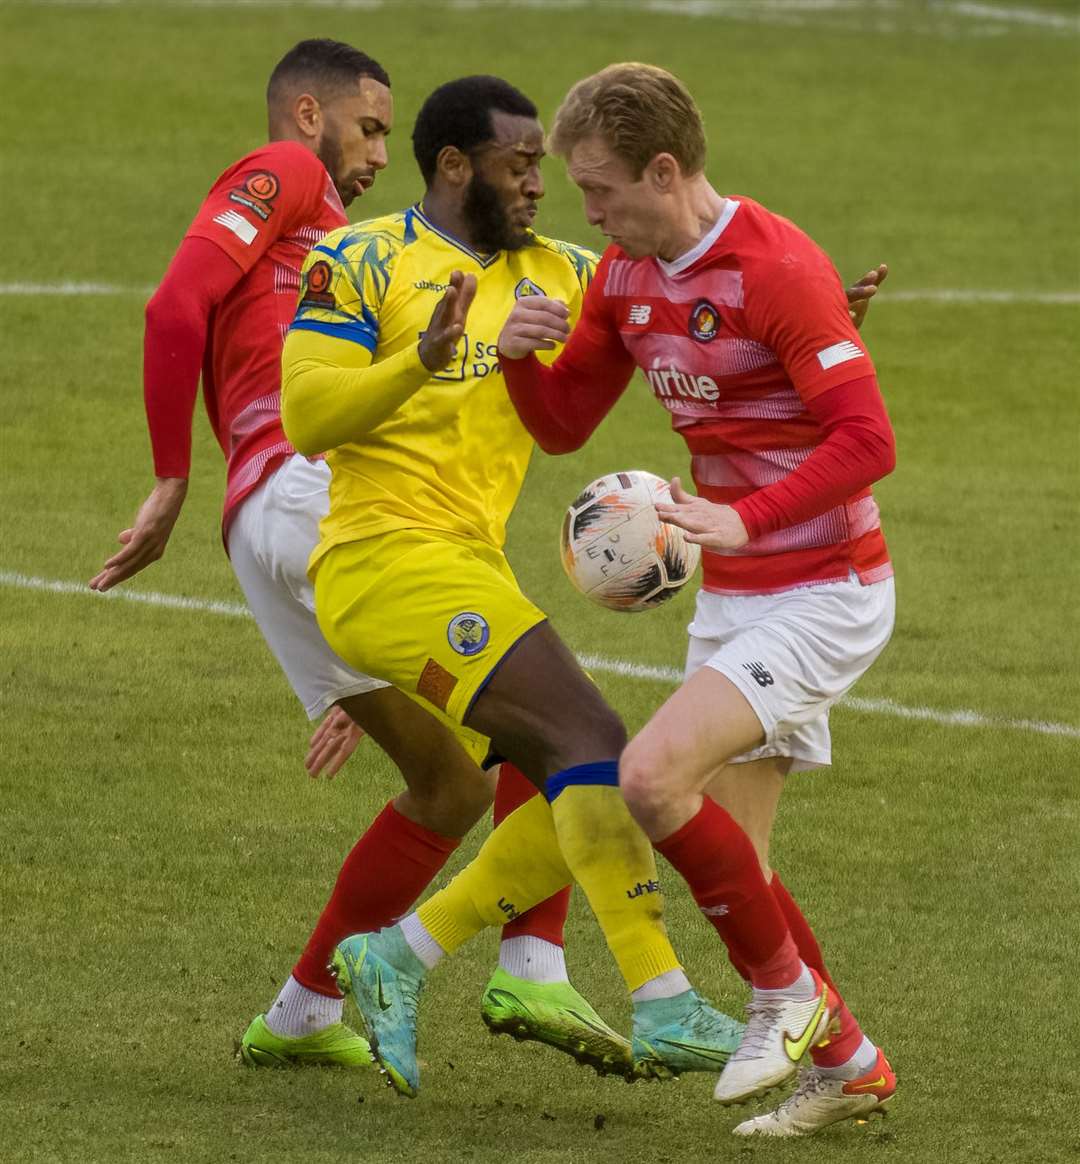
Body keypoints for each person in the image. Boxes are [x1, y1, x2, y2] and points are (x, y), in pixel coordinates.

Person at [87, 40, 610, 1077]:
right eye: (369, 126)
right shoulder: (288, 173)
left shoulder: (352, 246)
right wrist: (166, 478)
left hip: (267, 533)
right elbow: (171, 306)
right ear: (309, 111)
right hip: (317, 491)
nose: (377, 150)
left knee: (450, 785)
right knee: (557, 725)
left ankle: (299, 1012)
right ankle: (531, 961)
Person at [281, 73, 759, 1099]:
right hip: (380, 562)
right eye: (518, 164)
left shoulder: (564, 271)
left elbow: (686, 299)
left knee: (598, 767)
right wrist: (428, 354)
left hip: (468, 567)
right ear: (455, 167)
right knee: (598, 748)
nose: (540, 183)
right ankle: (662, 996)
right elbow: (309, 417)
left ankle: (397, 956)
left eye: (543, 164)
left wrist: (790, 316)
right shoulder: (360, 256)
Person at [495, 63, 897, 1137]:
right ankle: (849, 1063)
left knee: (651, 778)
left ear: (664, 171)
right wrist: (519, 361)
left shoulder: (774, 267)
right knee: (743, 866)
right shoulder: (626, 277)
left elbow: (870, 439)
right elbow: (565, 422)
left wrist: (749, 517)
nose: (588, 215)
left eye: (602, 191)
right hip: (736, 597)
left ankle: (787, 1002)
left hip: (827, 589)